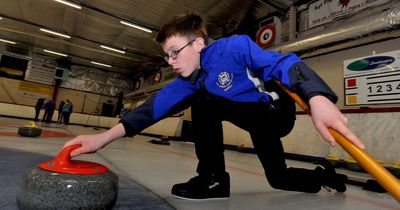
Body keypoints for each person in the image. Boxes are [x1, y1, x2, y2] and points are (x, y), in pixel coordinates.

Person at [64, 12, 365, 200]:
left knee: (203, 98)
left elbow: (282, 63)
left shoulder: (234, 47)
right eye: (166, 56)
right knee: (279, 179)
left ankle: (212, 179)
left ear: (198, 43)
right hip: (251, 119)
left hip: (273, 113)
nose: (170, 62)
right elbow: (152, 108)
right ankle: (326, 175)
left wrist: (317, 98)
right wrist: (102, 138)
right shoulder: (191, 78)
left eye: (174, 52)